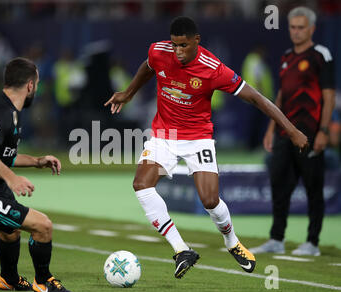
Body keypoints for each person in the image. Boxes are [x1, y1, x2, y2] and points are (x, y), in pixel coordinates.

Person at [104, 16, 308, 278]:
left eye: (184, 46)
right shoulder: (159, 51)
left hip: (197, 138)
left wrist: (291, 131)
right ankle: (181, 250)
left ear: (197, 41)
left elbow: (257, 99)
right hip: (164, 135)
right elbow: (148, 66)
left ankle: (232, 242)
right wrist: (129, 92)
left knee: (210, 200)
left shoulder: (214, 69)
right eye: (175, 45)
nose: (178, 52)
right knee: (141, 185)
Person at [0, 57, 73, 292]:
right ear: (30, 85)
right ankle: (44, 282)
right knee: (43, 226)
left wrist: (37, 161)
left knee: (11, 231)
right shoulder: (1, 113)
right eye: (37, 84)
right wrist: (12, 178)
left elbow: (3, 154)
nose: (37, 89)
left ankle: (8, 279)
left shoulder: (6, 108)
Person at [250, 7, 336, 256]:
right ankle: (276, 238)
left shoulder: (321, 55)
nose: (296, 32)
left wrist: (323, 131)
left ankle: (312, 242)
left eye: (301, 27)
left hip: (309, 134)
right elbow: (280, 96)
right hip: (283, 134)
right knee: (279, 185)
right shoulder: (286, 56)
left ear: (312, 29)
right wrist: (270, 128)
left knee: (313, 187)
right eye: (292, 27)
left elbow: (328, 96)